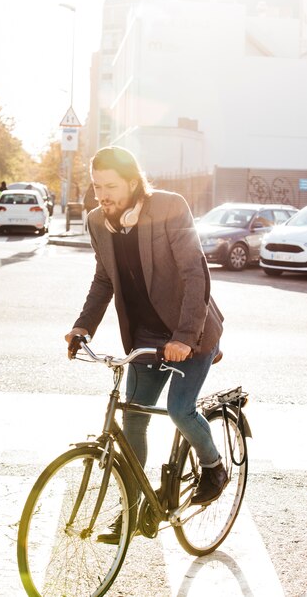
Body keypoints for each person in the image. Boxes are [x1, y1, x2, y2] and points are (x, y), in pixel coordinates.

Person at [65, 146, 226, 544]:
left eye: (111, 186)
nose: (102, 194)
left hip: (190, 334)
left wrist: (185, 339)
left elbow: (194, 275)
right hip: (144, 341)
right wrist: (82, 327)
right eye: (96, 185)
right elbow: (104, 279)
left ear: (133, 182)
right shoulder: (97, 221)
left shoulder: (169, 207)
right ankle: (133, 509)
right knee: (133, 421)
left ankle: (213, 466)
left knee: (179, 410)